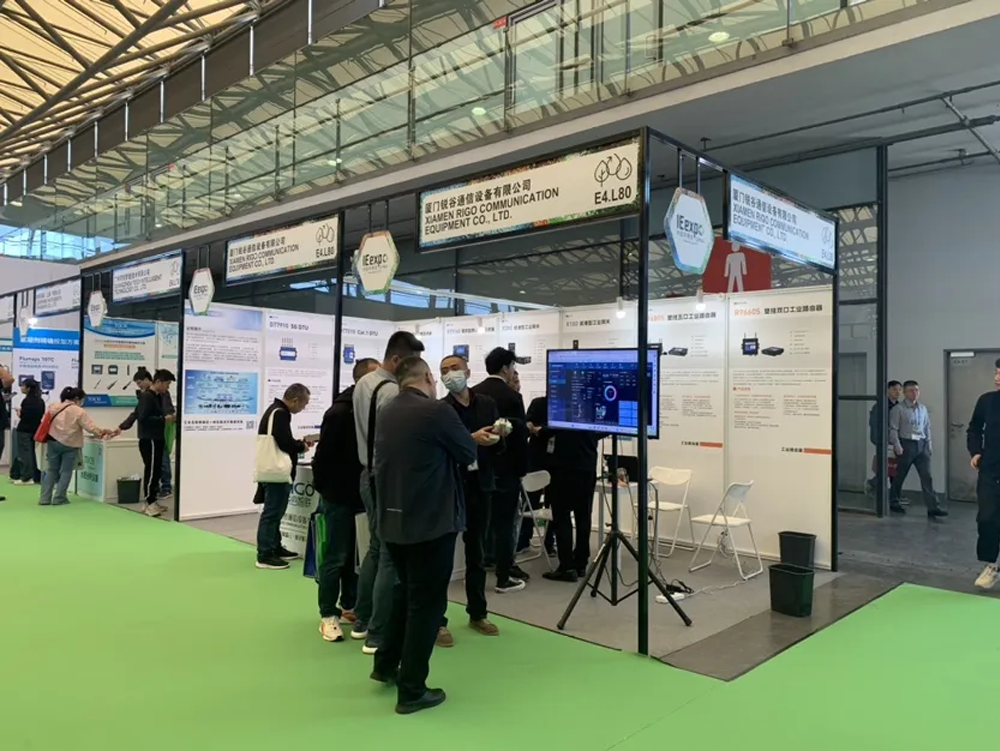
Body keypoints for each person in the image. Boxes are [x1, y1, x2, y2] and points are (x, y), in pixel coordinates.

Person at [371, 356, 477, 715]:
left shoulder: (388, 409)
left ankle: (385, 664)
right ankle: (412, 690)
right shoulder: (436, 411)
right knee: (427, 605)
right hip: (430, 522)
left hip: (394, 519)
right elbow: (467, 452)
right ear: (429, 378)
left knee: (404, 594)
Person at [353, 331, 449, 655]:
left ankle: (362, 619)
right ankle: (378, 635)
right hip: (389, 480)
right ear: (396, 360)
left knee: (376, 549)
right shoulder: (394, 393)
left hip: (367, 474)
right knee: (390, 558)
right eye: (409, 363)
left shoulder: (364, 383)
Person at [314, 357, 379, 643]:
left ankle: (350, 604)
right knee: (336, 556)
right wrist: (329, 492)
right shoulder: (339, 412)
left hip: (362, 496)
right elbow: (322, 459)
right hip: (339, 497)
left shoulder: (371, 408)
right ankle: (328, 613)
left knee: (358, 555)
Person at [440, 354, 504, 636]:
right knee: (442, 557)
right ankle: (437, 621)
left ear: (467, 371)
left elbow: (499, 445)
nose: (449, 374)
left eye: (454, 368)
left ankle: (478, 613)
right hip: (451, 487)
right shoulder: (441, 409)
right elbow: (442, 449)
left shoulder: (487, 404)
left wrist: (498, 437)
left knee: (476, 553)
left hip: (481, 484)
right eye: (444, 371)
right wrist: (471, 439)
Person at [474, 347, 531, 594]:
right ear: (506, 368)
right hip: (506, 469)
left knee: (479, 523)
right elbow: (520, 439)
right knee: (505, 524)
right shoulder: (511, 396)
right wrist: (521, 469)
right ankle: (503, 576)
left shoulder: (474, 392)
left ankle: (478, 570)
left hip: (479, 467)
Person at [533, 396, 603, 583]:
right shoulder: (591, 409)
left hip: (564, 468)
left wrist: (537, 430)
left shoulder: (564, 409)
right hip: (587, 467)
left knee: (562, 516)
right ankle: (581, 562)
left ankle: (566, 566)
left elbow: (550, 431)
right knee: (583, 516)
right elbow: (601, 431)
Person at [254, 383, 313, 570]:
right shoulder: (279, 413)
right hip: (276, 474)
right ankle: (265, 554)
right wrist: (301, 446)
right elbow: (285, 443)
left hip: (273, 473)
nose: (303, 408)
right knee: (272, 514)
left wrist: (297, 444)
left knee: (275, 513)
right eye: (304, 404)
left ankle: (274, 547)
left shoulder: (276, 411)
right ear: (295, 400)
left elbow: (282, 440)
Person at [39, 387, 116, 507]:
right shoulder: (79, 411)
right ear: (77, 398)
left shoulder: (53, 406)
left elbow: (43, 421)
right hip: (70, 444)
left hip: (52, 441)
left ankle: (44, 498)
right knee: (66, 471)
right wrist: (102, 432)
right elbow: (90, 428)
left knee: (51, 470)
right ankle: (59, 497)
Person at [889, 380, 946, 518]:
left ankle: (933, 507)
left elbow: (926, 427)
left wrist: (929, 444)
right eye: (911, 390)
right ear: (904, 393)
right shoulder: (898, 409)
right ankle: (893, 501)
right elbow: (893, 429)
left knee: (927, 476)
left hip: (921, 444)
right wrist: (897, 445)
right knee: (899, 475)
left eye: (916, 390)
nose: (914, 393)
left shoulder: (922, 408)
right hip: (906, 444)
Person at [968, 360, 1000, 589]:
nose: (997, 378)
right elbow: (974, 428)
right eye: (997, 372)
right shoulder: (987, 401)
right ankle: (991, 566)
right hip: (990, 469)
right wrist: (976, 451)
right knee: (988, 518)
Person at [518, 395, 557, 557]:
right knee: (530, 501)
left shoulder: (565, 406)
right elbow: (527, 424)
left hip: (556, 460)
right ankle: (523, 539)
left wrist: (541, 430)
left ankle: (549, 542)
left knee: (553, 502)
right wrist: (533, 428)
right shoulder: (538, 403)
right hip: (536, 459)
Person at [134, 370, 176, 518]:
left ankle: (151, 501)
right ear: (158, 382)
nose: (168, 387)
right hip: (149, 438)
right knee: (151, 471)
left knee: (156, 470)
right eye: (167, 384)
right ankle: (149, 502)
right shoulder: (147, 396)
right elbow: (143, 417)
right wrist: (164, 419)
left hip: (157, 437)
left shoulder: (157, 397)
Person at [867, 380, 902, 500]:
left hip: (895, 441)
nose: (897, 392)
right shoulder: (880, 405)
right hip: (883, 441)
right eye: (894, 389)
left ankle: (894, 494)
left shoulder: (898, 406)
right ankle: (874, 486)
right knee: (886, 468)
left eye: (899, 389)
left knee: (893, 468)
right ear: (887, 390)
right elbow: (875, 424)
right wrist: (881, 440)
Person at [11, 377, 44, 485]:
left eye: (23, 385)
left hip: (24, 430)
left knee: (25, 454)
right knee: (33, 454)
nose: (21, 387)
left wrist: (19, 413)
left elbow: (24, 417)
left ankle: (26, 477)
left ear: (28, 388)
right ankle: (35, 475)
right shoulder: (40, 401)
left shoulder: (26, 401)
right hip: (36, 430)